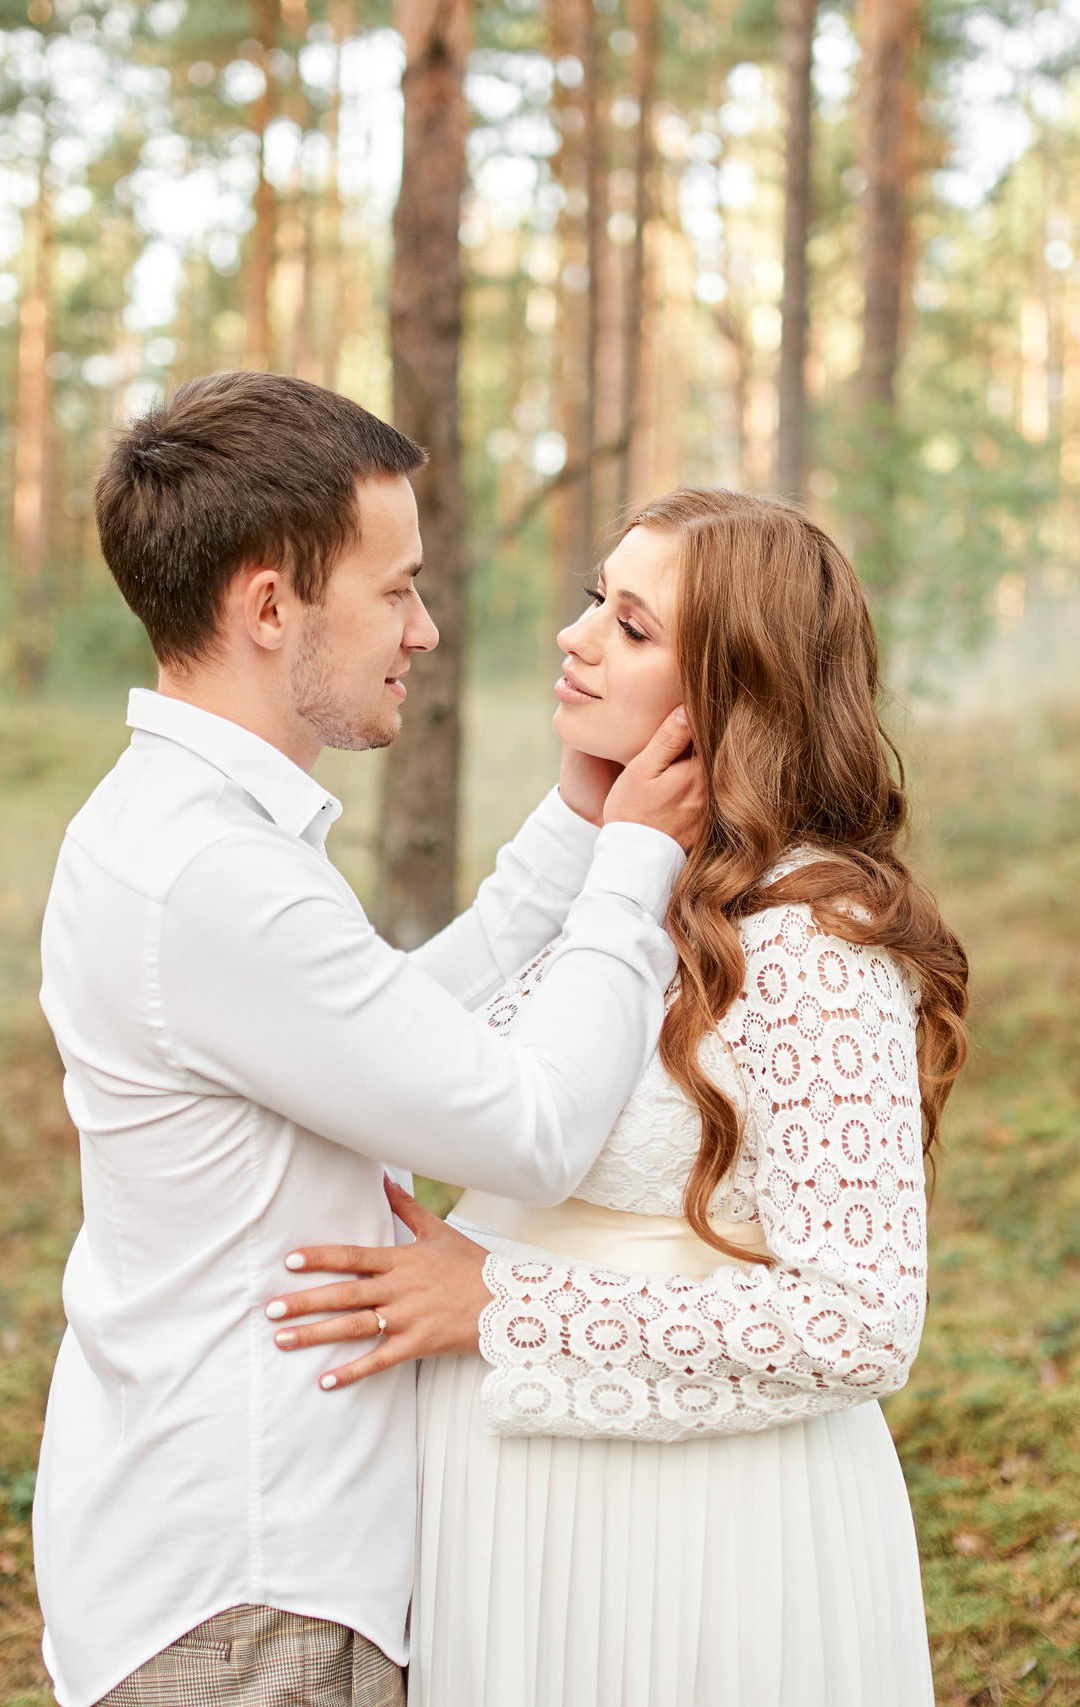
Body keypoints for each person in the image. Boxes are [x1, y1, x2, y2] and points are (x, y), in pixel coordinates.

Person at [31, 372, 706, 1707]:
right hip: (250, 1584)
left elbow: (377, 1027)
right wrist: (635, 872)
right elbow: (529, 1128)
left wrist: (574, 831)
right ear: (269, 607)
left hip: (211, 1539)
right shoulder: (214, 877)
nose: (425, 629)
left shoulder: (176, 829)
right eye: (394, 590)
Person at [265, 488, 970, 1707]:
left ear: (737, 692)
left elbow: (861, 1322)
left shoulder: (816, 940)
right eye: (597, 599)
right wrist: (588, 833)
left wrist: (501, 1300)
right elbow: (413, 1053)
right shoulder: (617, 882)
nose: (575, 635)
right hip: (515, 1519)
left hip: (698, 1537)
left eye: (632, 626)